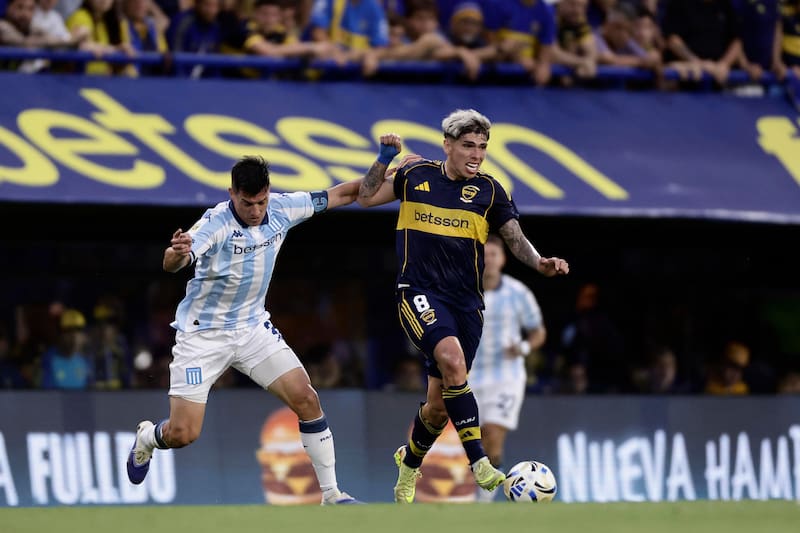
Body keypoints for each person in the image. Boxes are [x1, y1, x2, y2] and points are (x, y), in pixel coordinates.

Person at [356, 108, 569, 503]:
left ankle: (409, 464)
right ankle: (480, 463)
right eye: (468, 145)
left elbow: (515, 239)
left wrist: (539, 262)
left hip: (467, 304)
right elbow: (366, 197)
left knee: (438, 407)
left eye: (482, 147)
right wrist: (384, 159)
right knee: (453, 360)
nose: (476, 154)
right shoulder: (414, 175)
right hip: (417, 291)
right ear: (448, 146)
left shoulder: (490, 191)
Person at [125, 155, 363, 505]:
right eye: (247, 203)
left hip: (252, 330)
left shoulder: (283, 208)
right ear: (231, 193)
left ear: (269, 193)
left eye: (261, 201)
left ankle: (332, 494)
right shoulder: (214, 224)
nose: (255, 210)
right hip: (203, 336)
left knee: (307, 398)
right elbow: (172, 262)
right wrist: (177, 253)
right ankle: (148, 437)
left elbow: (343, 194)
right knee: (182, 433)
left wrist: (390, 168)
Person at [468, 233, 546, 502]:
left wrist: (523, 348)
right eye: (484, 255)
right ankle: (482, 489)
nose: (488, 260)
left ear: (502, 259)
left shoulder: (517, 293)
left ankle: (484, 503)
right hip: (470, 376)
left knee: (493, 432)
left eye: (493, 255)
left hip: (506, 375)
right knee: (476, 440)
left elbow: (538, 331)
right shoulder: (463, 290)